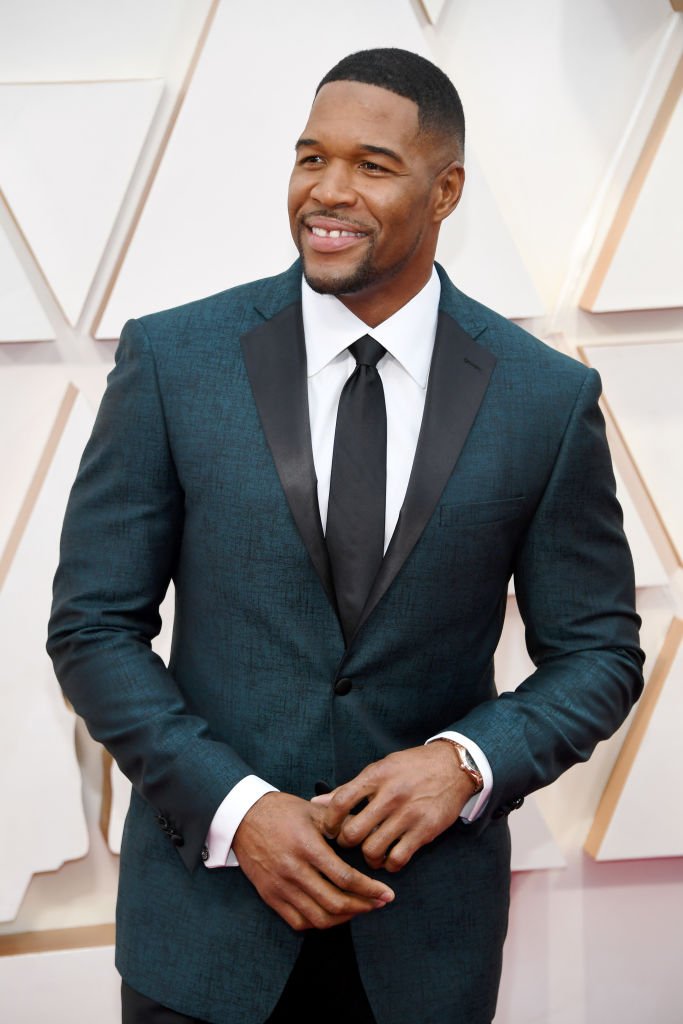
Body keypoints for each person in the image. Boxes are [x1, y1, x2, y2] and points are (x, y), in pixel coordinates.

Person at [47, 48, 644, 1024]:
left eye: (371, 164)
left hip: (423, 945)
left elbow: (596, 652)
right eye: (308, 157)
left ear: (444, 188)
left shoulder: (543, 396)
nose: (326, 192)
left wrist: (465, 758)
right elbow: (93, 628)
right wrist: (235, 809)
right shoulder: (172, 359)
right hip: (203, 937)